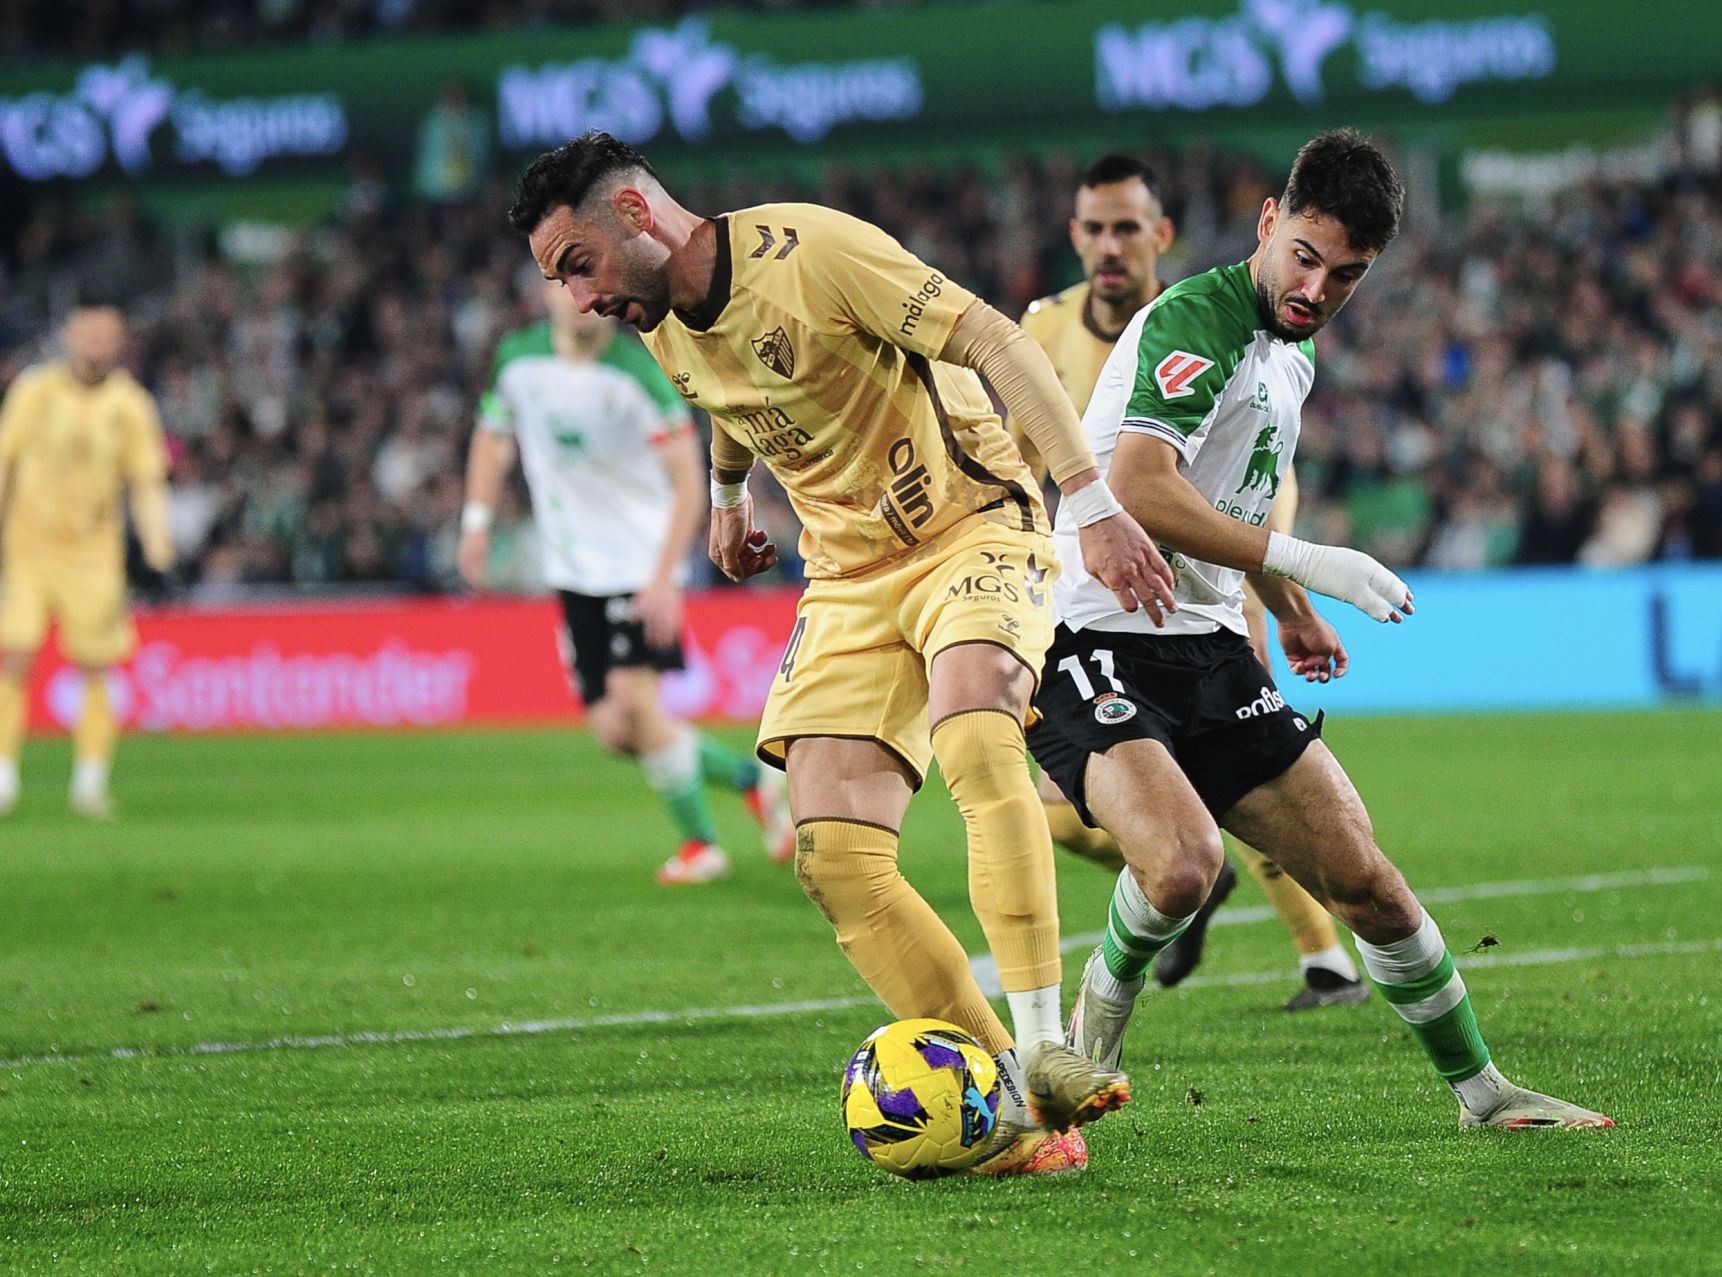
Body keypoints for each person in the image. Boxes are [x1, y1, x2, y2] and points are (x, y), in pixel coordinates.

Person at [507, 132, 1179, 1173]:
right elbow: (729, 396)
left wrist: (1088, 503)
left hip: (969, 525)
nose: (580, 297)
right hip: (851, 575)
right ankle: (1014, 1106)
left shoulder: (811, 251)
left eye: (576, 265)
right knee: (833, 858)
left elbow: (997, 341)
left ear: (636, 217)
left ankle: (1048, 1039)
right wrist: (728, 501)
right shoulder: (657, 322)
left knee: (972, 727)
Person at [1028, 131, 1613, 1130]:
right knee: (1179, 864)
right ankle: (1096, 1020)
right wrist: (1312, 565)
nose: (1315, 288)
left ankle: (1484, 1094)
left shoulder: (1290, 352)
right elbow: (1137, 488)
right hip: (1090, 632)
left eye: (1344, 274)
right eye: (1303, 255)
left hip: (1206, 641)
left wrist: (1289, 609)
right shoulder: (1198, 320)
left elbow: (1234, 500)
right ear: (1268, 220)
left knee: (1367, 880)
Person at [1015, 154, 1368, 1009]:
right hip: (1085, 592)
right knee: (1075, 809)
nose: (1109, 245)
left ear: (1159, 236)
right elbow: (1023, 458)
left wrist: (1279, 598)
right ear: (1074, 235)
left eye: (1127, 228)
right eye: (1094, 228)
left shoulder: (1225, 323)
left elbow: (1256, 485)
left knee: (1245, 769)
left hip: (1220, 582)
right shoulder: (1042, 328)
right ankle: (1189, 886)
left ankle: (1323, 955)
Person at [459, 277, 790, 884]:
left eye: (592, 286)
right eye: (565, 284)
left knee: (638, 709)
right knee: (614, 731)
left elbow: (691, 482)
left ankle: (701, 846)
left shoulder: (639, 376)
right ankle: (754, 780)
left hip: (639, 568)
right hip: (572, 573)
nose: (579, 298)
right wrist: (476, 523)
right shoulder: (518, 360)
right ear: (545, 291)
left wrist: (665, 580)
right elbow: (492, 437)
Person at [0, 302, 173, 818]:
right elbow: (4, 459)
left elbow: (145, 483)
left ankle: (90, 784)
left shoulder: (132, 406)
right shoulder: (35, 391)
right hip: (29, 546)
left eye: (106, 333)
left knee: (97, 667)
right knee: (16, 658)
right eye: (88, 331)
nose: (96, 341)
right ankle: (4, 779)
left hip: (95, 554)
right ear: (71, 334)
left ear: (119, 340)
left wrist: (159, 552)